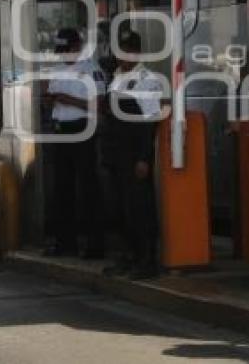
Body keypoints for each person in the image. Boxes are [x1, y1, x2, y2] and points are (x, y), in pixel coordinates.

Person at [102, 30, 164, 280]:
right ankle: (127, 256)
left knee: (139, 209)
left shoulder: (147, 80)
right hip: (115, 154)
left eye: (128, 51)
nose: (122, 57)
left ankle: (145, 260)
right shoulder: (116, 77)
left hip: (133, 154)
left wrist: (144, 158)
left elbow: (150, 122)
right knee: (117, 209)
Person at [43, 28, 107, 258]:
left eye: (67, 50)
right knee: (62, 188)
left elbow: (99, 104)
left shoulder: (91, 70)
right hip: (61, 130)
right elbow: (53, 97)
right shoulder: (58, 70)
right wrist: (51, 99)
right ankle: (65, 242)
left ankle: (95, 244)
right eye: (61, 51)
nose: (63, 55)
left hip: (82, 130)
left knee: (88, 188)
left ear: (77, 47)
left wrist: (67, 99)